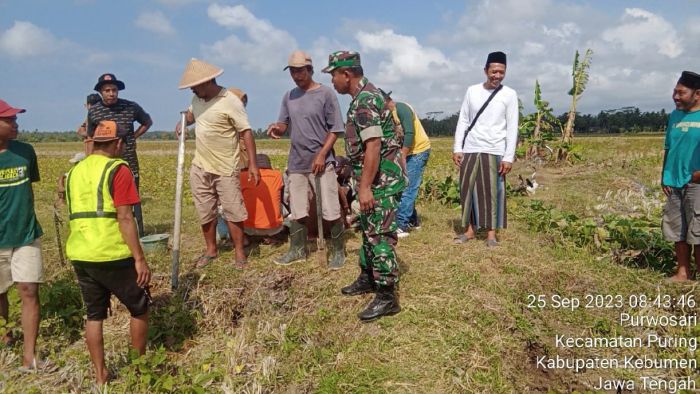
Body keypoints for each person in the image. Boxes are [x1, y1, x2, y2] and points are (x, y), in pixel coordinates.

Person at [65, 120, 151, 385]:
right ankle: (137, 369)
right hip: (111, 252)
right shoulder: (119, 169)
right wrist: (139, 258)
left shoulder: (76, 171)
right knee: (140, 307)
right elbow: (125, 218)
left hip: (80, 252)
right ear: (117, 144)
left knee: (94, 316)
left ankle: (101, 377)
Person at [323, 51, 406, 321]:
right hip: (373, 178)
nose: (332, 81)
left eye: (333, 75)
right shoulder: (364, 96)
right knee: (369, 232)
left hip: (381, 181)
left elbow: (374, 146)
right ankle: (368, 277)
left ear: (346, 74)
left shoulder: (365, 101)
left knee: (379, 236)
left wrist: (365, 187)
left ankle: (386, 296)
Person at [176, 58, 259, 270]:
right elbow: (192, 115)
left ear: (209, 81)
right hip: (200, 165)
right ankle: (211, 250)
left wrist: (252, 164)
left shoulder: (230, 101)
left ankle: (240, 253)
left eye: (195, 85)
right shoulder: (197, 99)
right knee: (205, 210)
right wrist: (183, 122)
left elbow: (246, 132)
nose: (192, 90)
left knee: (233, 210)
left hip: (225, 166)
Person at [267, 50, 346, 269]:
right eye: (292, 71)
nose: (296, 75)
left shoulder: (326, 94)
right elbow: (284, 124)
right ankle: (297, 250)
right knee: (298, 209)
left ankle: (339, 251)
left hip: (322, 163)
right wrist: (277, 128)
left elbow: (336, 129)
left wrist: (322, 154)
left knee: (330, 209)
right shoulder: (289, 96)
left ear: (310, 70)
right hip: (297, 163)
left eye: (300, 71)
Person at [0, 99, 48, 372]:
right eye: (10, 120)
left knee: (29, 290)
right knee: (0, 294)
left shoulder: (25, 152)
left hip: (26, 234)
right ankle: (6, 337)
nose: (16, 124)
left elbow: (28, 190)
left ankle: (29, 356)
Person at [452, 51, 518, 247]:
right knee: (468, 190)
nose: (497, 76)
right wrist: (458, 147)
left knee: (493, 193)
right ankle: (470, 231)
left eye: (501, 72)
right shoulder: (472, 91)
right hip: (470, 148)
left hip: (495, 150)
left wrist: (508, 157)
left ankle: (491, 235)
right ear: (485, 70)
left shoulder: (509, 94)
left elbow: (512, 126)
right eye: (493, 71)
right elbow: (463, 119)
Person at [87, 73, 153, 237]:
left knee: (132, 196)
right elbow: (90, 136)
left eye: (114, 90)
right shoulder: (94, 111)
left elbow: (147, 122)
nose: (111, 93)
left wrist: (133, 136)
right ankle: (113, 232)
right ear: (101, 92)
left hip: (128, 158)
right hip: (104, 161)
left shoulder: (130, 107)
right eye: (107, 90)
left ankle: (139, 233)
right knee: (106, 196)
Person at [661, 70, 700, 281]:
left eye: (681, 92)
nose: (675, 97)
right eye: (674, 92)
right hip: (674, 182)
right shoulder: (674, 116)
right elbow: (668, 148)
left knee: (698, 233)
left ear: (697, 94)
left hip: (697, 184)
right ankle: (683, 272)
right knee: (678, 230)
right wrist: (664, 175)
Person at [384, 93, 431, 238]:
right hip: (408, 153)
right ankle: (413, 221)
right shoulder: (389, 115)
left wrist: (402, 156)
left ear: (386, 101)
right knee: (405, 186)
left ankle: (401, 226)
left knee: (408, 188)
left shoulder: (402, 109)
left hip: (418, 151)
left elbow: (409, 133)